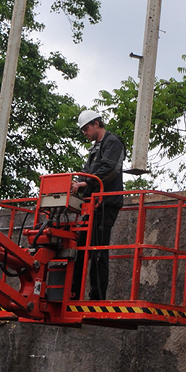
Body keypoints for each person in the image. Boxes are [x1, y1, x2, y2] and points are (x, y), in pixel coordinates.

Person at [70, 109, 125, 300]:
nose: (85, 133)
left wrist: (85, 183)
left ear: (96, 124)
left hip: (106, 203)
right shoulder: (95, 149)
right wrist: (76, 184)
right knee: (80, 249)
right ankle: (73, 293)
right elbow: (87, 172)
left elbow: (110, 168)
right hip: (93, 205)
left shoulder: (113, 142)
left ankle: (97, 296)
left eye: (86, 129)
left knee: (98, 250)